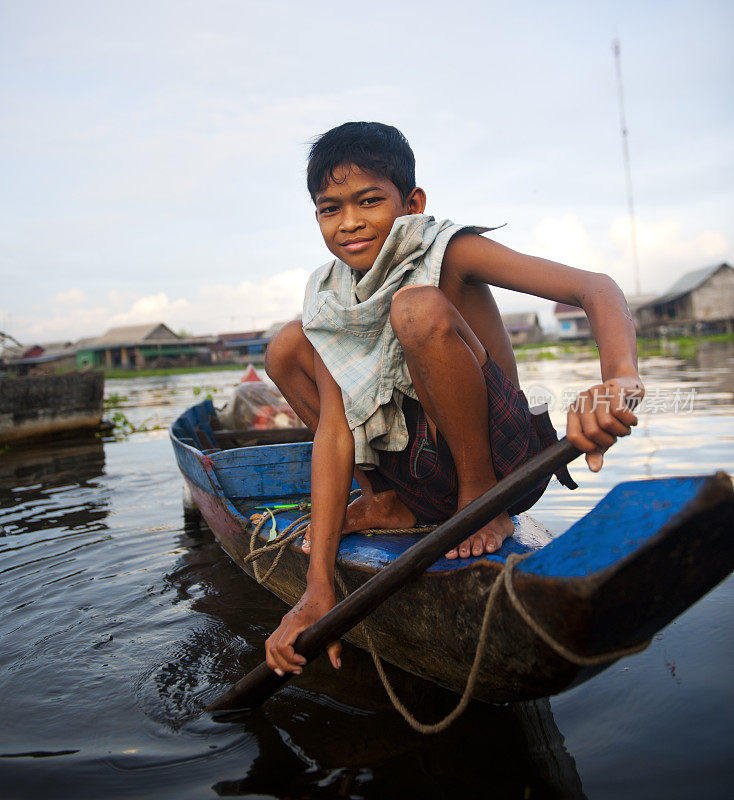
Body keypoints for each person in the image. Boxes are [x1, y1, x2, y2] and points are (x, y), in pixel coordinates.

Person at [263, 121, 644, 677]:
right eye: (329, 209)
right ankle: (387, 499)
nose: (349, 223)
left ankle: (477, 498)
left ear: (411, 201)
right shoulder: (333, 298)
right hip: (416, 471)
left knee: (415, 308)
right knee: (285, 346)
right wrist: (317, 588)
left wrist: (618, 379)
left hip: (500, 461)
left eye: (369, 201)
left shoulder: (449, 249)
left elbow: (595, 288)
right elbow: (335, 431)